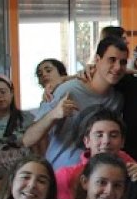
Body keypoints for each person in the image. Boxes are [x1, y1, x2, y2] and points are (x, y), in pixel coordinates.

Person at [25, 37, 129, 170]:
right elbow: (28, 139)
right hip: (61, 176)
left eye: (123, 62)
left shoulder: (117, 99)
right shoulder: (67, 90)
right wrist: (54, 114)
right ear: (97, 60)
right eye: (112, 60)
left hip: (96, 177)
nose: (117, 67)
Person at [53, 107, 137, 199]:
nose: (106, 141)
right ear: (87, 141)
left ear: (122, 142)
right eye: (99, 135)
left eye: (113, 135)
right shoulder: (66, 176)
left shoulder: (132, 170)